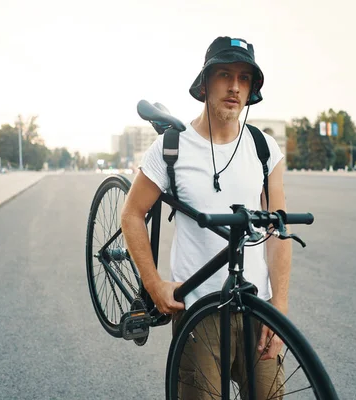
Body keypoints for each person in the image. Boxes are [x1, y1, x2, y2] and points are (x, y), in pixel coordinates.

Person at [121, 36, 290, 398]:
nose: (234, 87)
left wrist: (280, 308)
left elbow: (278, 233)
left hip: (256, 308)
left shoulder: (264, 149)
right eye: (225, 74)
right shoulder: (171, 148)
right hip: (198, 309)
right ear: (204, 83)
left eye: (244, 78)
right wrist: (154, 284)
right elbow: (132, 214)